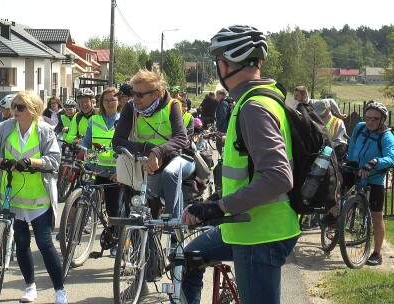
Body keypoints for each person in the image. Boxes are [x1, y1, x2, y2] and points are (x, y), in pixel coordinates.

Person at [181, 25, 301, 304]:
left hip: (259, 235)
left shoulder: (254, 107)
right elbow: (251, 170)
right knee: (189, 255)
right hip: (246, 226)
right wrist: (217, 199)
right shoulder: (265, 98)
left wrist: (219, 207)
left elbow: (278, 177)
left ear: (223, 65)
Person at [0, 91, 67, 303]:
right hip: (11, 197)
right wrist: (3, 162)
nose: (14, 110)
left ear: (33, 110)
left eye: (20, 107)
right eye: (13, 106)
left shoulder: (45, 130)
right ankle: (30, 287)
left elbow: (54, 160)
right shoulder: (5, 127)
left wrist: (32, 163)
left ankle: (60, 290)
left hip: (39, 200)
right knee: (21, 242)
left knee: (45, 244)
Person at [113, 70, 194, 219]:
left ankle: (174, 230)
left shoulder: (172, 105)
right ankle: (147, 239)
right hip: (147, 162)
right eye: (133, 93)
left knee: (171, 173)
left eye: (140, 95)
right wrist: (148, 150)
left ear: (155, 94)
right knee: (147, 208)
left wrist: (158, 152)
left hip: (178, 157)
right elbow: (117, 141)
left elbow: (182, 138)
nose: (134, 99)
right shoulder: (131, 108)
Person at [345, 102, 394, 266]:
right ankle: (334, 224)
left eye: (375, 119)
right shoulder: (360, 128)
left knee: (376, 215)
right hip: (357, 171)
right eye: (368, 118)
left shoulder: (386, 136)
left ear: (382, 120)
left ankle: (377, 253)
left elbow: (391, 157)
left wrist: (375, 162)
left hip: (374, 178)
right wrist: (350, 162)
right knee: (336, 190)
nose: (370, 122)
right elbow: (352, 147)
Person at [82, 87, 123, 257]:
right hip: (96, 168)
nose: (109, 103)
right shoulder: (95, 120)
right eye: (106, 100)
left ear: (118, 101)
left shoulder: (123, 120)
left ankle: (116, 241)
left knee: (114, 209)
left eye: (112, 100)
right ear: (101, 102)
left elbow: (126, 147)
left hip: (115, 172)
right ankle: (74, 232)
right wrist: (85, 159)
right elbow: (87, 144)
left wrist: (121, 171)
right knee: (83, 199)